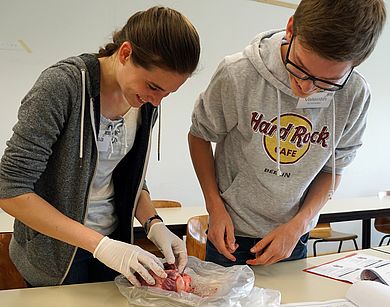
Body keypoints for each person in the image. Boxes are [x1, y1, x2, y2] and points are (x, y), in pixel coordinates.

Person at [0, 6, 200, 287]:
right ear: (126, 53)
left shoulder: (142, 103)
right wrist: (100, 245)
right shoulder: (62, 87)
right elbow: (10, 189)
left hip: (116, 249)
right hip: (56, 258)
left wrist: (153, 223)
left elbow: (127, 177)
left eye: (167, 93)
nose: (156, 101)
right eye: (154, 87)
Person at [188, 0, 386, 267]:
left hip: (292, 236)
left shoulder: (355, 94)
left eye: (327, 82)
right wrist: (214, 207)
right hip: (229, 232)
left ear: (354, 65)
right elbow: (200, 134)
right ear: (291, 28)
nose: (305, 87)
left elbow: (333, 169)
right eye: (301, 67)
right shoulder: (238, 74)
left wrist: (300, 224)